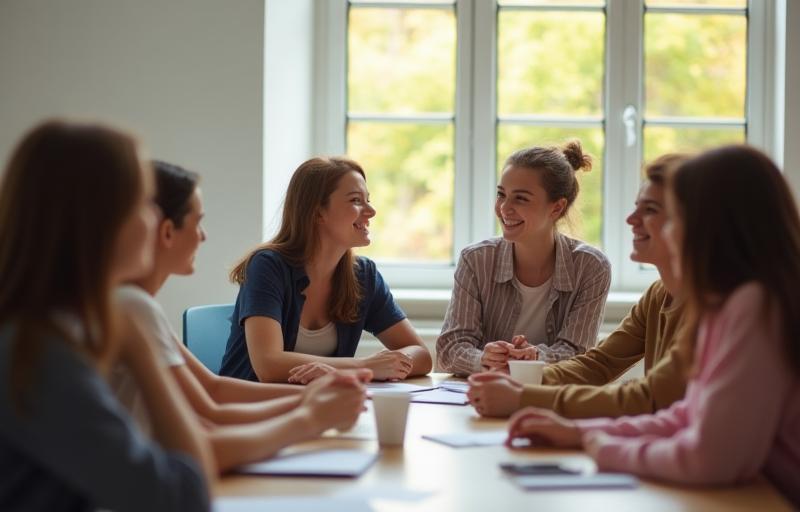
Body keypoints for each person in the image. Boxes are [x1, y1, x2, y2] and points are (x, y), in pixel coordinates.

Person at [506, 145, 800, 508]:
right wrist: (578, 431)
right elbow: (686, 414)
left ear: (714, 225)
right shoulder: (724, 302)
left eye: (672, 216)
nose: (635, 221)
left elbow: (707, 457)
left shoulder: (753, 306)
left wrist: (599, 445)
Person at [0, 120, 213, 511]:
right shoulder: (42, 355)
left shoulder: (45, 331)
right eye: (143, 202)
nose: (154, 219)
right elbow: (180, 497)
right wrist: (140, 350)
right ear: (98, 220)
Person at [113, 160, 369, 472]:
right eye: (197, 222)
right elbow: (203, 438)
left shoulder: (137, 305)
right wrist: (310, 416)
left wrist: (312, 400)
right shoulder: (131, 308)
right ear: (166, 231)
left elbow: (213, 393)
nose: (204, 236)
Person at [468, 154, 690, 418]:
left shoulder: (714, 306)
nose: (631, 219)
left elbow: (649, 398)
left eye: (650, 209)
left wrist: (524, 396)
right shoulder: (658, 294)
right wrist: (519, 378)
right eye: (636, 206)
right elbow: (599, 363)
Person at [220, 157, 432, 383]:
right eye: (356, 200)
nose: (371, 211)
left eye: (368, 200)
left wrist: (385, 364)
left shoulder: (363, 275)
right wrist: (364, 367)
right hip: (250, 410)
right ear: (318, 213)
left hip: (317, 410)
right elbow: (268, 366)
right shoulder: (267, 266)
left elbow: (422, 355)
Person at [437, 141, 611, 376]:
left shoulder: (591, 267)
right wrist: (484, 359)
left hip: (552, 397)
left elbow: (579, 352)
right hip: (485, 394)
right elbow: (449, 349)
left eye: (520, 199)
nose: (504, 208)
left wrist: (536, 357)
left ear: (557, 208)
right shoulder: (476, 260)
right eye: (501, 195)